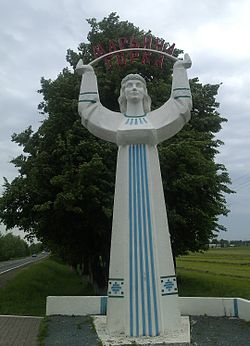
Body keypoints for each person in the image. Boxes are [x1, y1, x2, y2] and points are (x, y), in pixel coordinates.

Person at [76, 55, 192, 337]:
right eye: (128, 85)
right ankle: (123, 324)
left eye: (138, 85)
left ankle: (160, 318)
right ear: (122, 95)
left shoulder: (155, 120)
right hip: (125, 179)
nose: (134, 89)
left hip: (151, 184)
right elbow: (89, 111)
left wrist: (179, 70)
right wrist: (88, 75)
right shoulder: (115, 122)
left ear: (146, 92)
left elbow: (180, 107)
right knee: (124, 245)